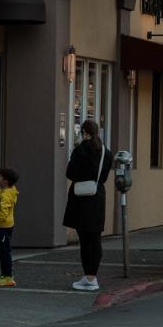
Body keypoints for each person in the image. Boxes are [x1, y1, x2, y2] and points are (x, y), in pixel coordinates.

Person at [63, 119, 110, 292]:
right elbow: (104, 177)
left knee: (84, 239)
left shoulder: (80, 150)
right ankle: (92, 276)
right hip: (97, 196)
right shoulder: (106, 152)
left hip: (80, 198)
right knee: (95, 238)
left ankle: (88, 278)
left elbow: (70, 173)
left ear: (84, 132)